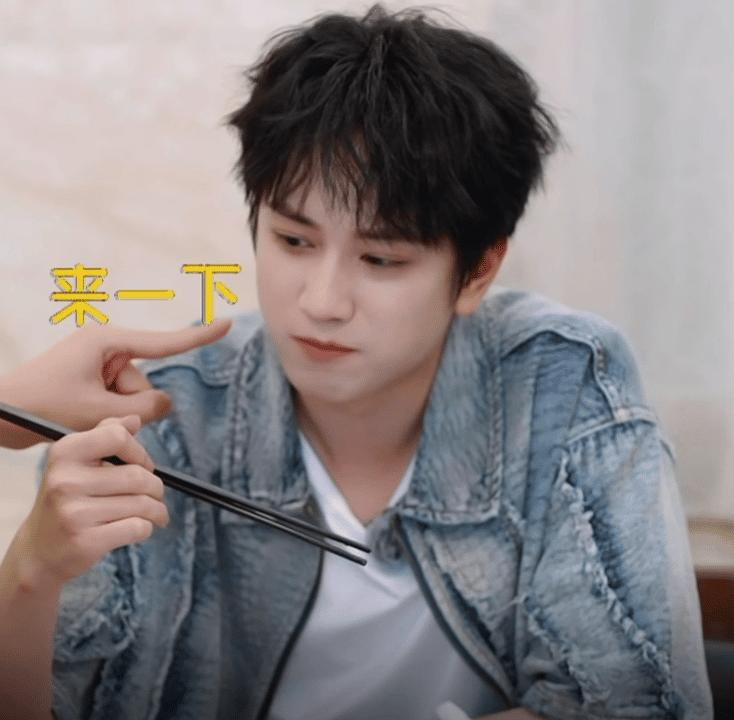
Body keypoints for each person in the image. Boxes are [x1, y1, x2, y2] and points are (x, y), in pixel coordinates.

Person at [0, 5, 712, 720]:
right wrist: (30, 570)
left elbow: (634, 704)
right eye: (293, 241)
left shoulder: (562, 385)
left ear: (478, 271)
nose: (322, 302)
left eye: (381, 259)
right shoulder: (168, 414)